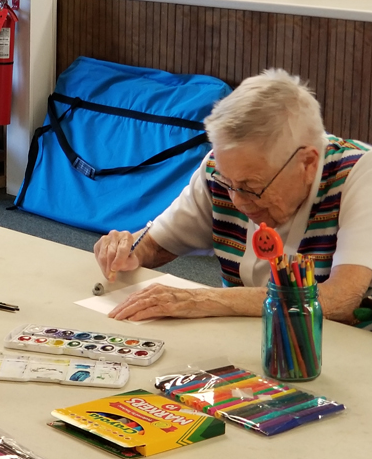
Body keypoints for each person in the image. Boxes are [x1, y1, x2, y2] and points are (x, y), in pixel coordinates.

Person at [94, 69, 372, 324]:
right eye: (228, 183)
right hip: (249, 340)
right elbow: (157, 243)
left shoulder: (360, 173)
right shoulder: (222, 168)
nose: (237, 201)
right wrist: (128, 251)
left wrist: (201, 299)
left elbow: (341, 299)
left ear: (308, 164)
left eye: (252, 186)